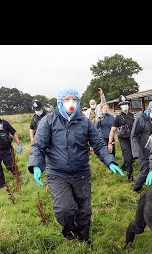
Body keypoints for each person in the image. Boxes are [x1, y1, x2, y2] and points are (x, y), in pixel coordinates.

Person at [28, 87, 124, 244]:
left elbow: (99, 144)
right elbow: (38, 145)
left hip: (81, 173)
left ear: (78, 102)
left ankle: (84, 238)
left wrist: (109, 161)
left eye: (74, 99)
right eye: (67, 99)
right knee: (65, 210)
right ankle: (69, 232)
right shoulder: (49, 121)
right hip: (57, 173)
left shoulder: (85, 122)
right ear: (60, 101)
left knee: (84, 211)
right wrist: (36, 165)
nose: (71, 103)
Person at [131, 101, 152, 192]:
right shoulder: (140, 118)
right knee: (145, 169)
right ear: (148, 110)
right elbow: (134, 135)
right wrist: (136, 151)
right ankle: (136, 188)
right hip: (141, 148)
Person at [108, 95, 135, 182]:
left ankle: (124, 166)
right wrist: (110, 143)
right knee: (128, 158)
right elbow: (112, 130)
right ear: (120, 106)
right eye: (123, 104)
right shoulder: (118, 117)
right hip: (123, 140)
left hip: (132, 139)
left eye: (126, 104)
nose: (125, 105)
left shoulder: (133, 116)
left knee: (133, 158)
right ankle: (130, 175)